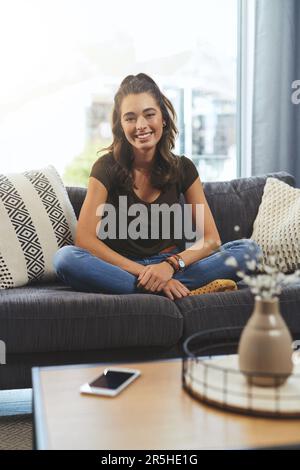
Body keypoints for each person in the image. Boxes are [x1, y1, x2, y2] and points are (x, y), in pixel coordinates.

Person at [53, 73, 262, 300]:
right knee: (65, 258)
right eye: (130, 118)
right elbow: (85, 240)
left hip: (173, 266)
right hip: (123, 268)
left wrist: (170, 266)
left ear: (162, 117)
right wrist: (147, 274)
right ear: (121, 125)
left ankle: (149, 289)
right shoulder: (105, 167)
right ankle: (170, 289)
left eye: (149, 114)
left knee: (249, 251)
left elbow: (211, 239)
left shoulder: (183, 168)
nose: (140, 125)